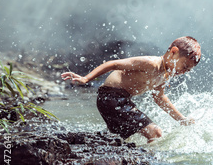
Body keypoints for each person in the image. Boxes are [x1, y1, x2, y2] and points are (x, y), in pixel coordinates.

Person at [61, 36, 201, 143]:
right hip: (112, 98)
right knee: (155, 132)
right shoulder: (151, 64)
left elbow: (160, 98)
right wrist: (86, 79)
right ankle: (150, 164)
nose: (184, 72)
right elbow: (113, 64)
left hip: (114, 101)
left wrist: (181, 119)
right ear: (174, 52)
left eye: (188, 70)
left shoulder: (164, 74)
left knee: (118, 140)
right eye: (184, 66)